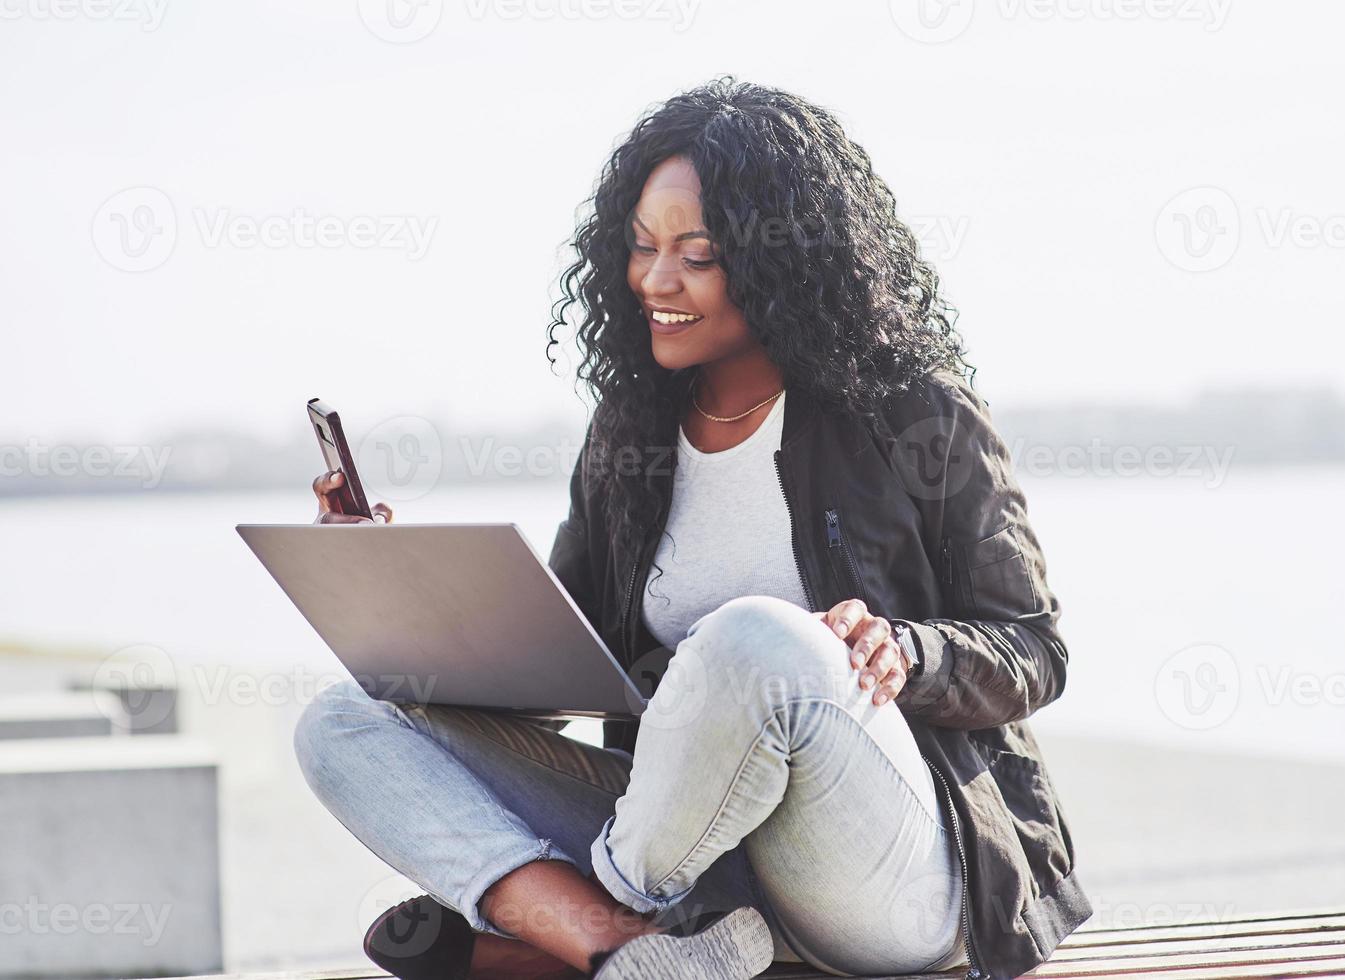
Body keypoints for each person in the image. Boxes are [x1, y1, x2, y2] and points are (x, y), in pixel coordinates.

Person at [294, 76, 1091, 980]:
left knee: (753, 639)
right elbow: (565, 674)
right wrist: (405, 589)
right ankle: (617, 948)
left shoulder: (913, 415)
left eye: (698, 254)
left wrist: (908, 651)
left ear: (782, 263)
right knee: (344, 721)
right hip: (703, 858)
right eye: (640, 247)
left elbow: (1035, 650)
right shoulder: (631, 432)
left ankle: (566, 932)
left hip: (897, 869)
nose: (655, 281)